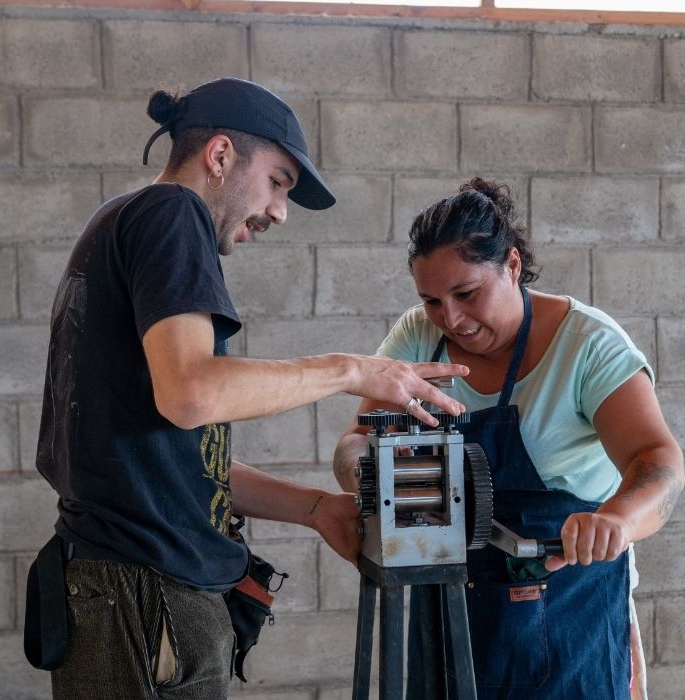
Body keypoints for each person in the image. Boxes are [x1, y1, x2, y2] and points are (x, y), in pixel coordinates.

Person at [28, 77, 468, 700]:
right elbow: (193, 394)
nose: (279, 211)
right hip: (143, 598)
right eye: (278, 182)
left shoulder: (124, 220)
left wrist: (315, 509)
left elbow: (176, 460)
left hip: (123, 589)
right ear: (220, 155)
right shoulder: (171, 212)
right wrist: (353, 371)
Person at [333, 177, 684, 700]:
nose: (450, 318)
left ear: (513, 267)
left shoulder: (587, 345)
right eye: (432, 300)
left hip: (568, 613)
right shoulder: (418, 337)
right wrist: (371, 476)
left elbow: (658, 462)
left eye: (467, 293)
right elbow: (354, 442)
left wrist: (616, 519)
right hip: (452, 609)